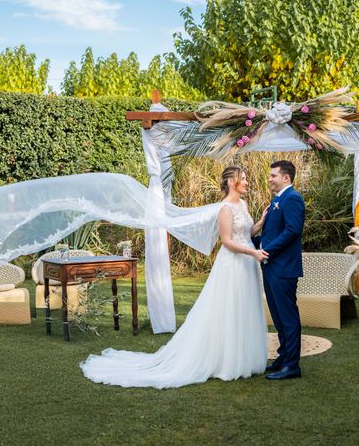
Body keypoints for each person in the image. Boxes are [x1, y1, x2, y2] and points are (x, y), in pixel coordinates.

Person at [80, 166, 270, 389]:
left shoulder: (243, 205)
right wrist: (253, 252)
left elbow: (247, 233)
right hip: (234, 264)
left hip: (247, 263)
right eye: (243, 179)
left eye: (246, 179)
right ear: (230, 182)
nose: (247, 182)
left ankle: (242, 355)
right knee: (228, 309)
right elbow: (227, 241)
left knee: (243, 307)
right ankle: (227, 361)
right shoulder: (225, 209)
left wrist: (263, 221)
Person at [253, 160, 306, 380]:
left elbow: (292, 231)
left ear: (286, 178)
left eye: (273, 175)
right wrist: (255, 245)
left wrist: (266, 250)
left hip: (283, 268)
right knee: (277, 316)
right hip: (272, 267)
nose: (270, 178)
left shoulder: (293, 198)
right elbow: (273, 232)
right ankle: (283, 357)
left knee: (288, 317)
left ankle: (292, 365)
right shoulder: (278, 199)